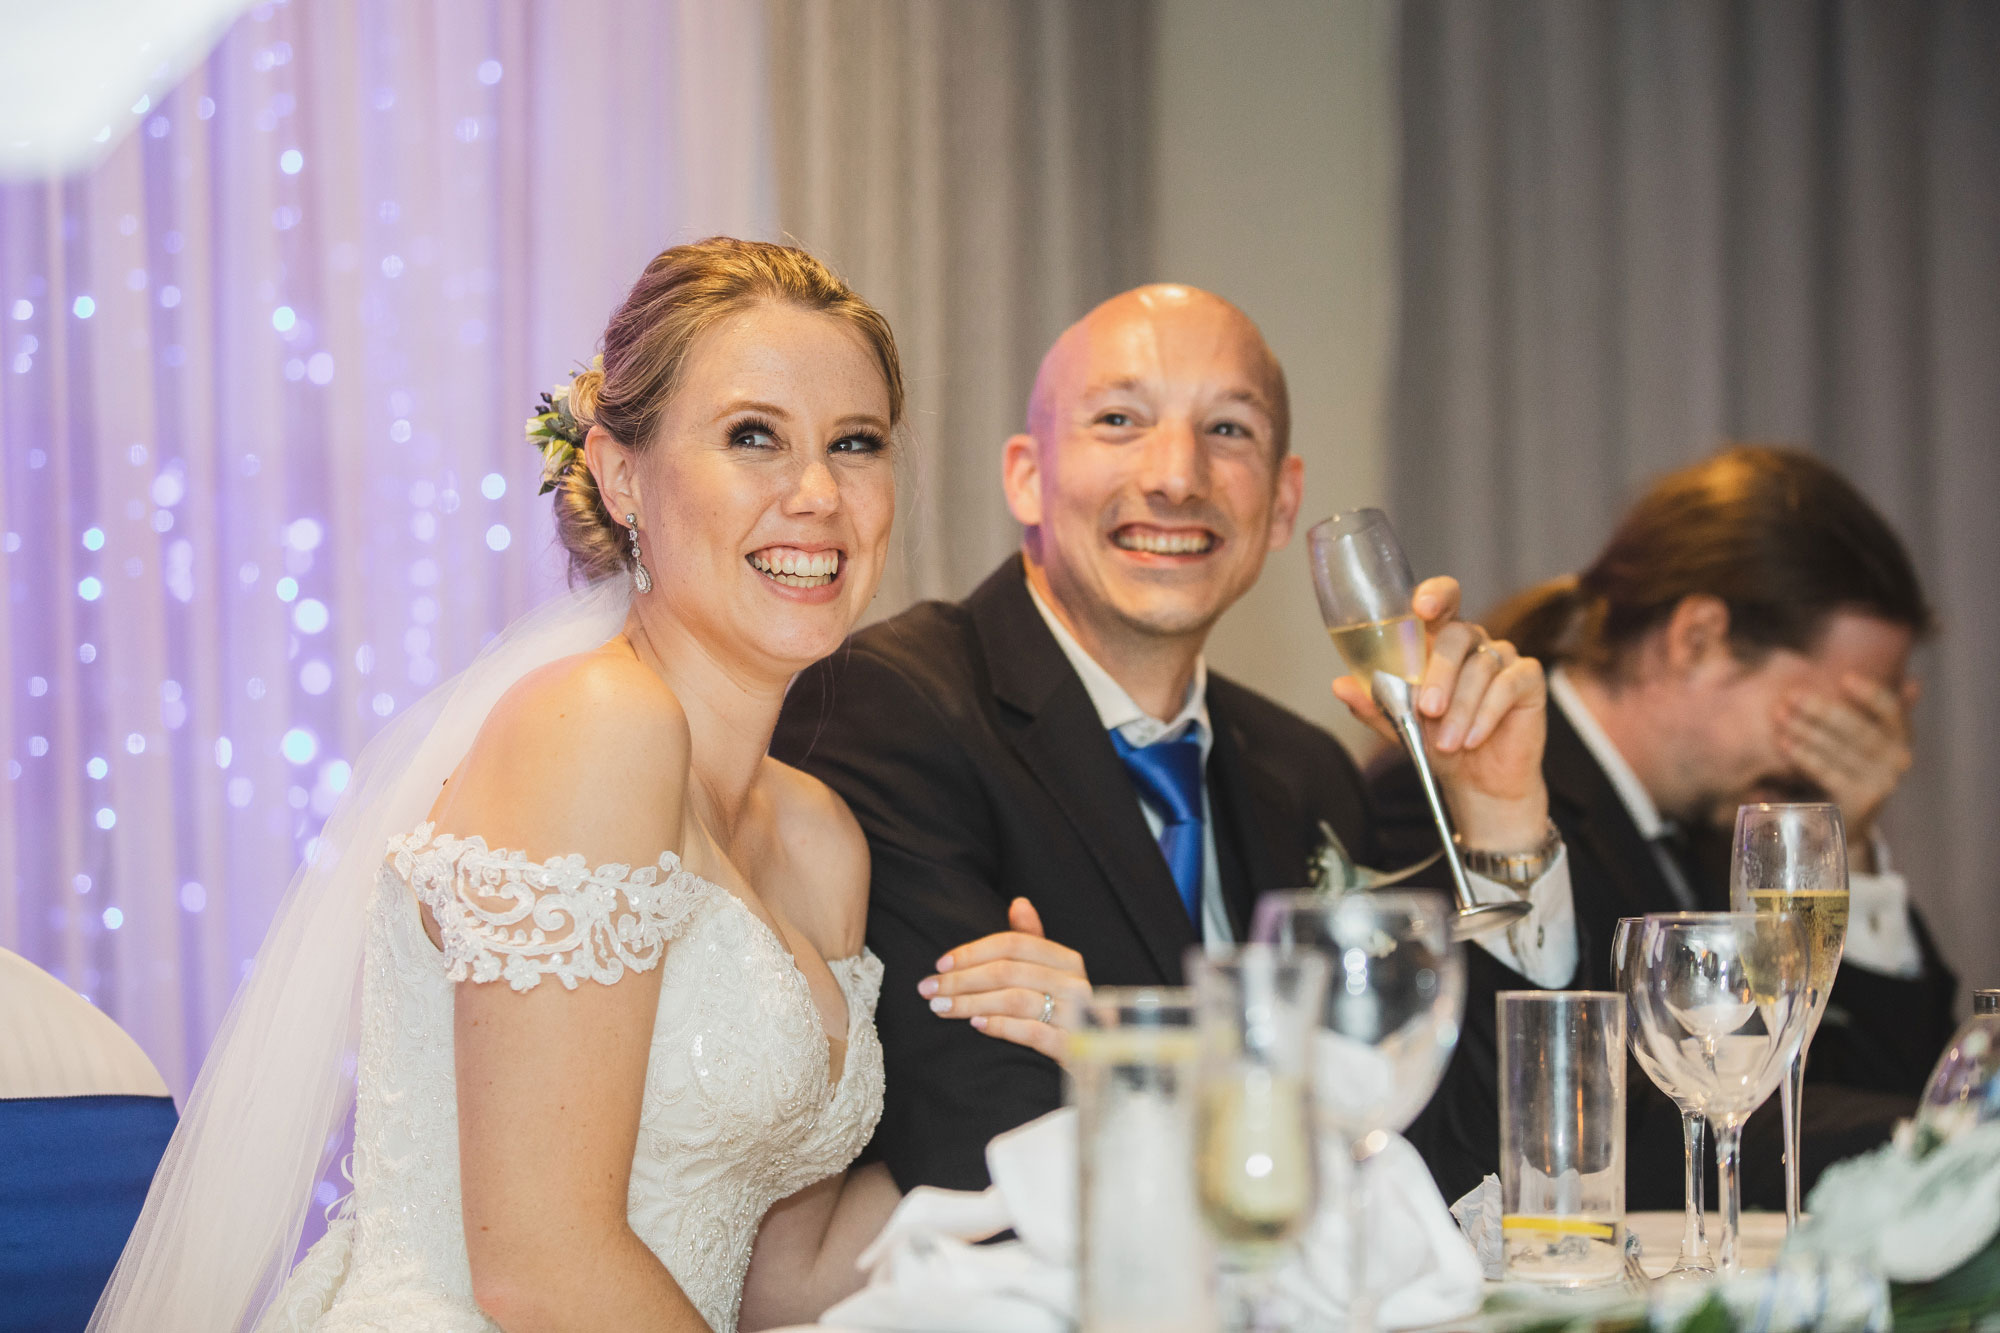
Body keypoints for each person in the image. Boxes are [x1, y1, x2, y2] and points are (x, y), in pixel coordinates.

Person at [89, 239, 1083, 1333]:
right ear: (621, 475)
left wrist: (1069, 1075)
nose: (816, 493)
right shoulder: (592, 726)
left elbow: (781, 1279)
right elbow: (539, 1263)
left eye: (855, 444)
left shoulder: (819, 837)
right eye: (753, 436)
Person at [770, 283, 1577, 1194]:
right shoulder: (888, 707)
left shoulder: (1305, 769)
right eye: (1120, 419)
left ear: (1282, 500)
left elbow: (1463, 1157)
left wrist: (1503, 815)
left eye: (1228, 431)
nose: (1177, 477)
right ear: (1027, 476)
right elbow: (982, 1147)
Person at [1388, 444, 1958, 1206]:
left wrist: (1837, 846)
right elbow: (1585, 1145)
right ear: (1699, 637)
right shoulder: (1452, 791)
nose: (1857, 749)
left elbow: (1824, 1091)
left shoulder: (1715, 827)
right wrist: (1936, 1134)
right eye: (1840, 712)